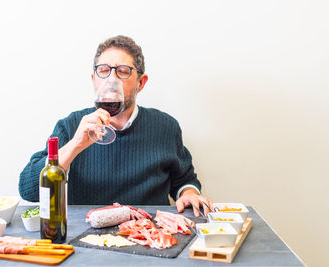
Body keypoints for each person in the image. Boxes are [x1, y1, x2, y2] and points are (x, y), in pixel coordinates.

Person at [19, 35, 213, 217]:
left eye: (122, 71)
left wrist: (188, 193)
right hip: (85, 238)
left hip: (149, 237)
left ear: (141, 83)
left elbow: (184, 181)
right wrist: (75, 145)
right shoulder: (70, 127)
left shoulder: (166, 126)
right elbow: (28, 190)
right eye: (103, 71)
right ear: (94, 80)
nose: (111, 80)